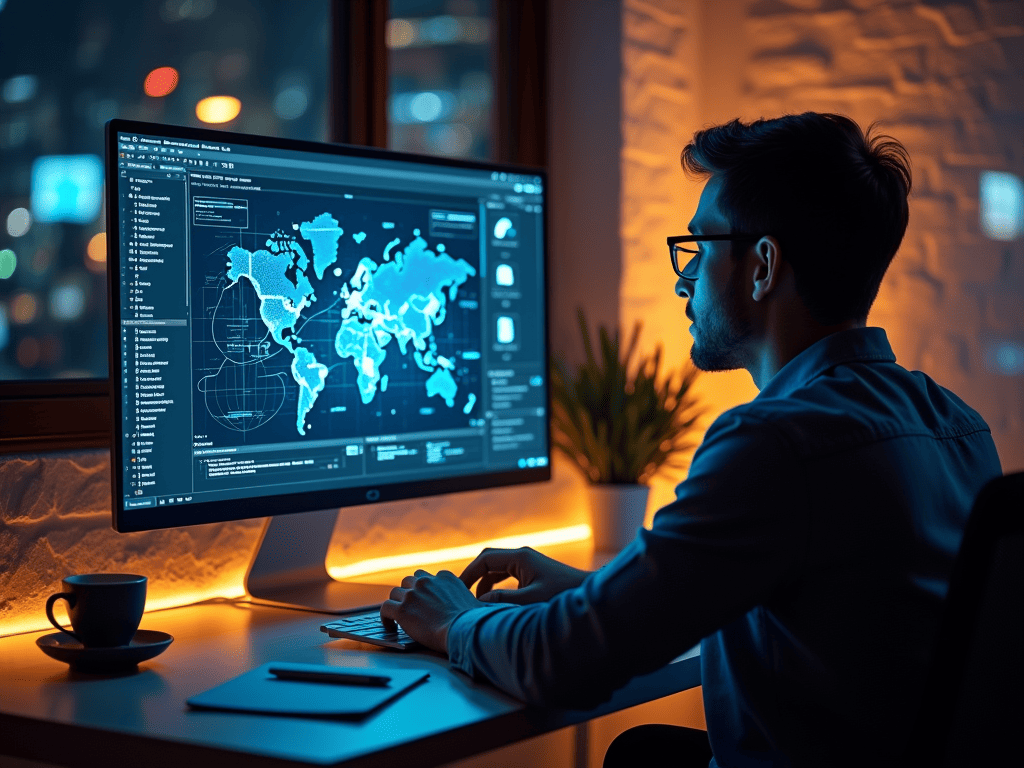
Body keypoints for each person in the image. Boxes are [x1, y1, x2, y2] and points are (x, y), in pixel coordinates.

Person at [379, 113, 1003, 767]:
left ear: (762, 265)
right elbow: (820, 610)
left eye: (699, 248)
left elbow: (562, 666)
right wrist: (594, 590)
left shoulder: (777, 443)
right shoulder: (957, 423)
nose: (684, 279)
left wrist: (455, 621)